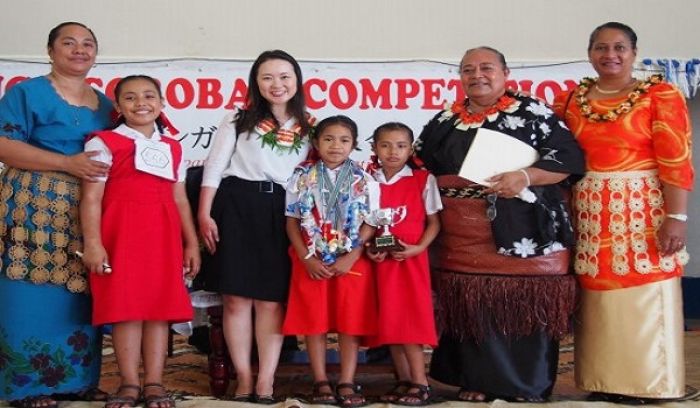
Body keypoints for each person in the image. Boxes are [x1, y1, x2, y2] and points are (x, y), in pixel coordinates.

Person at [417, 46, 585, 402]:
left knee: (518, 308)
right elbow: (418, 163)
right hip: (460, 234)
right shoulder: (445, 120)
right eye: (468, 69)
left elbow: (570, 159)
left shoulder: (533, 111)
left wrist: (526, 176)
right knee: (473, 308)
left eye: (486, 67)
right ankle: (476, 380)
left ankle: (522, 385)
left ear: (505, 72)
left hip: (522, 225)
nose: (477, 75)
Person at [553, 22, 696, 404]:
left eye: (619, 48)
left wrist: (676, 217)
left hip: (643, 208)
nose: (610, 55)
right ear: (589, 53)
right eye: (601, 47)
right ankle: (603, 380)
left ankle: (651, 381)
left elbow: (677, 159)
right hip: (589, 207)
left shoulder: (659, 94)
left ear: (634, 53)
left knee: (646, 290)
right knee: (599, 297)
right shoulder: (571, 100)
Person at [0, 22, 113, 408]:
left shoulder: (108, 104)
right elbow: (5, 146)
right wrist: (68, 163)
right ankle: (27, 387)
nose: (79, 50)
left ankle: (77, 380)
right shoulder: (26, 93)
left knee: (80, 293)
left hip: (87, 211)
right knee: (28, 292)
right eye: (69, 43)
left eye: (88, 44)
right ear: (50, 51)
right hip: (32, 207)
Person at [197, 50, 314, 402]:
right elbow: (214, 168)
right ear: (256, 83)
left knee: (270, 301)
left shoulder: (312, 125)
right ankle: (244, 376)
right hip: (237, 205)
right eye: (267, 77)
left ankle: (266, 379)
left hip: (284, 211)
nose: (276, 85)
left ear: (296, 81)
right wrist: (205, 213)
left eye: (284, 77)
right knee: (235, 299)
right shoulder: (237, 119)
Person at [80, 75, 200, 408]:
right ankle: (130, 383)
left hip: (162, 237)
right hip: (120, 235)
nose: (141, 103)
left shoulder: (172, 147)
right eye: (130, 98)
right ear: (117, 107)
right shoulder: (103, 143)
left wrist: (190, 242)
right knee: (126, 310)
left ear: (162, 103)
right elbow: (91, 198)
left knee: (158, 311)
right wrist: (94, 243)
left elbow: (179, 199)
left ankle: (155, 384)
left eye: (149, 96)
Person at [282, 115, 378, 408]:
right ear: (315, 143)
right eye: (328, 139)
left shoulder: (365, 178)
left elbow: (371, 222)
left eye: (344, 140)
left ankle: (347, 380)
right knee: (315, 320)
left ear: (354, 145)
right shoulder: (301, 175)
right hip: (310, 260)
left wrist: (353, 255)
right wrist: (306, 256)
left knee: (350, 322)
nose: (336, 146)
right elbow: (291, 221)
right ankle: (320, 379)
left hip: (351, 260)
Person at [364, 122, 441, 406]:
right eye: (385, 145)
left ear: (410, 149)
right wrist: (371, 249)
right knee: (390, 321)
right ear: (374, 148)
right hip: (382, 261)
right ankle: (403, 380)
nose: (392, 152)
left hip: (411, 261)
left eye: (400, 146)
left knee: (410, 322)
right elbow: (366, 223)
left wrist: (419, 247)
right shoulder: (367, 179)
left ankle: (420, 383)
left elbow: (434, 223)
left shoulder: (422, 179)